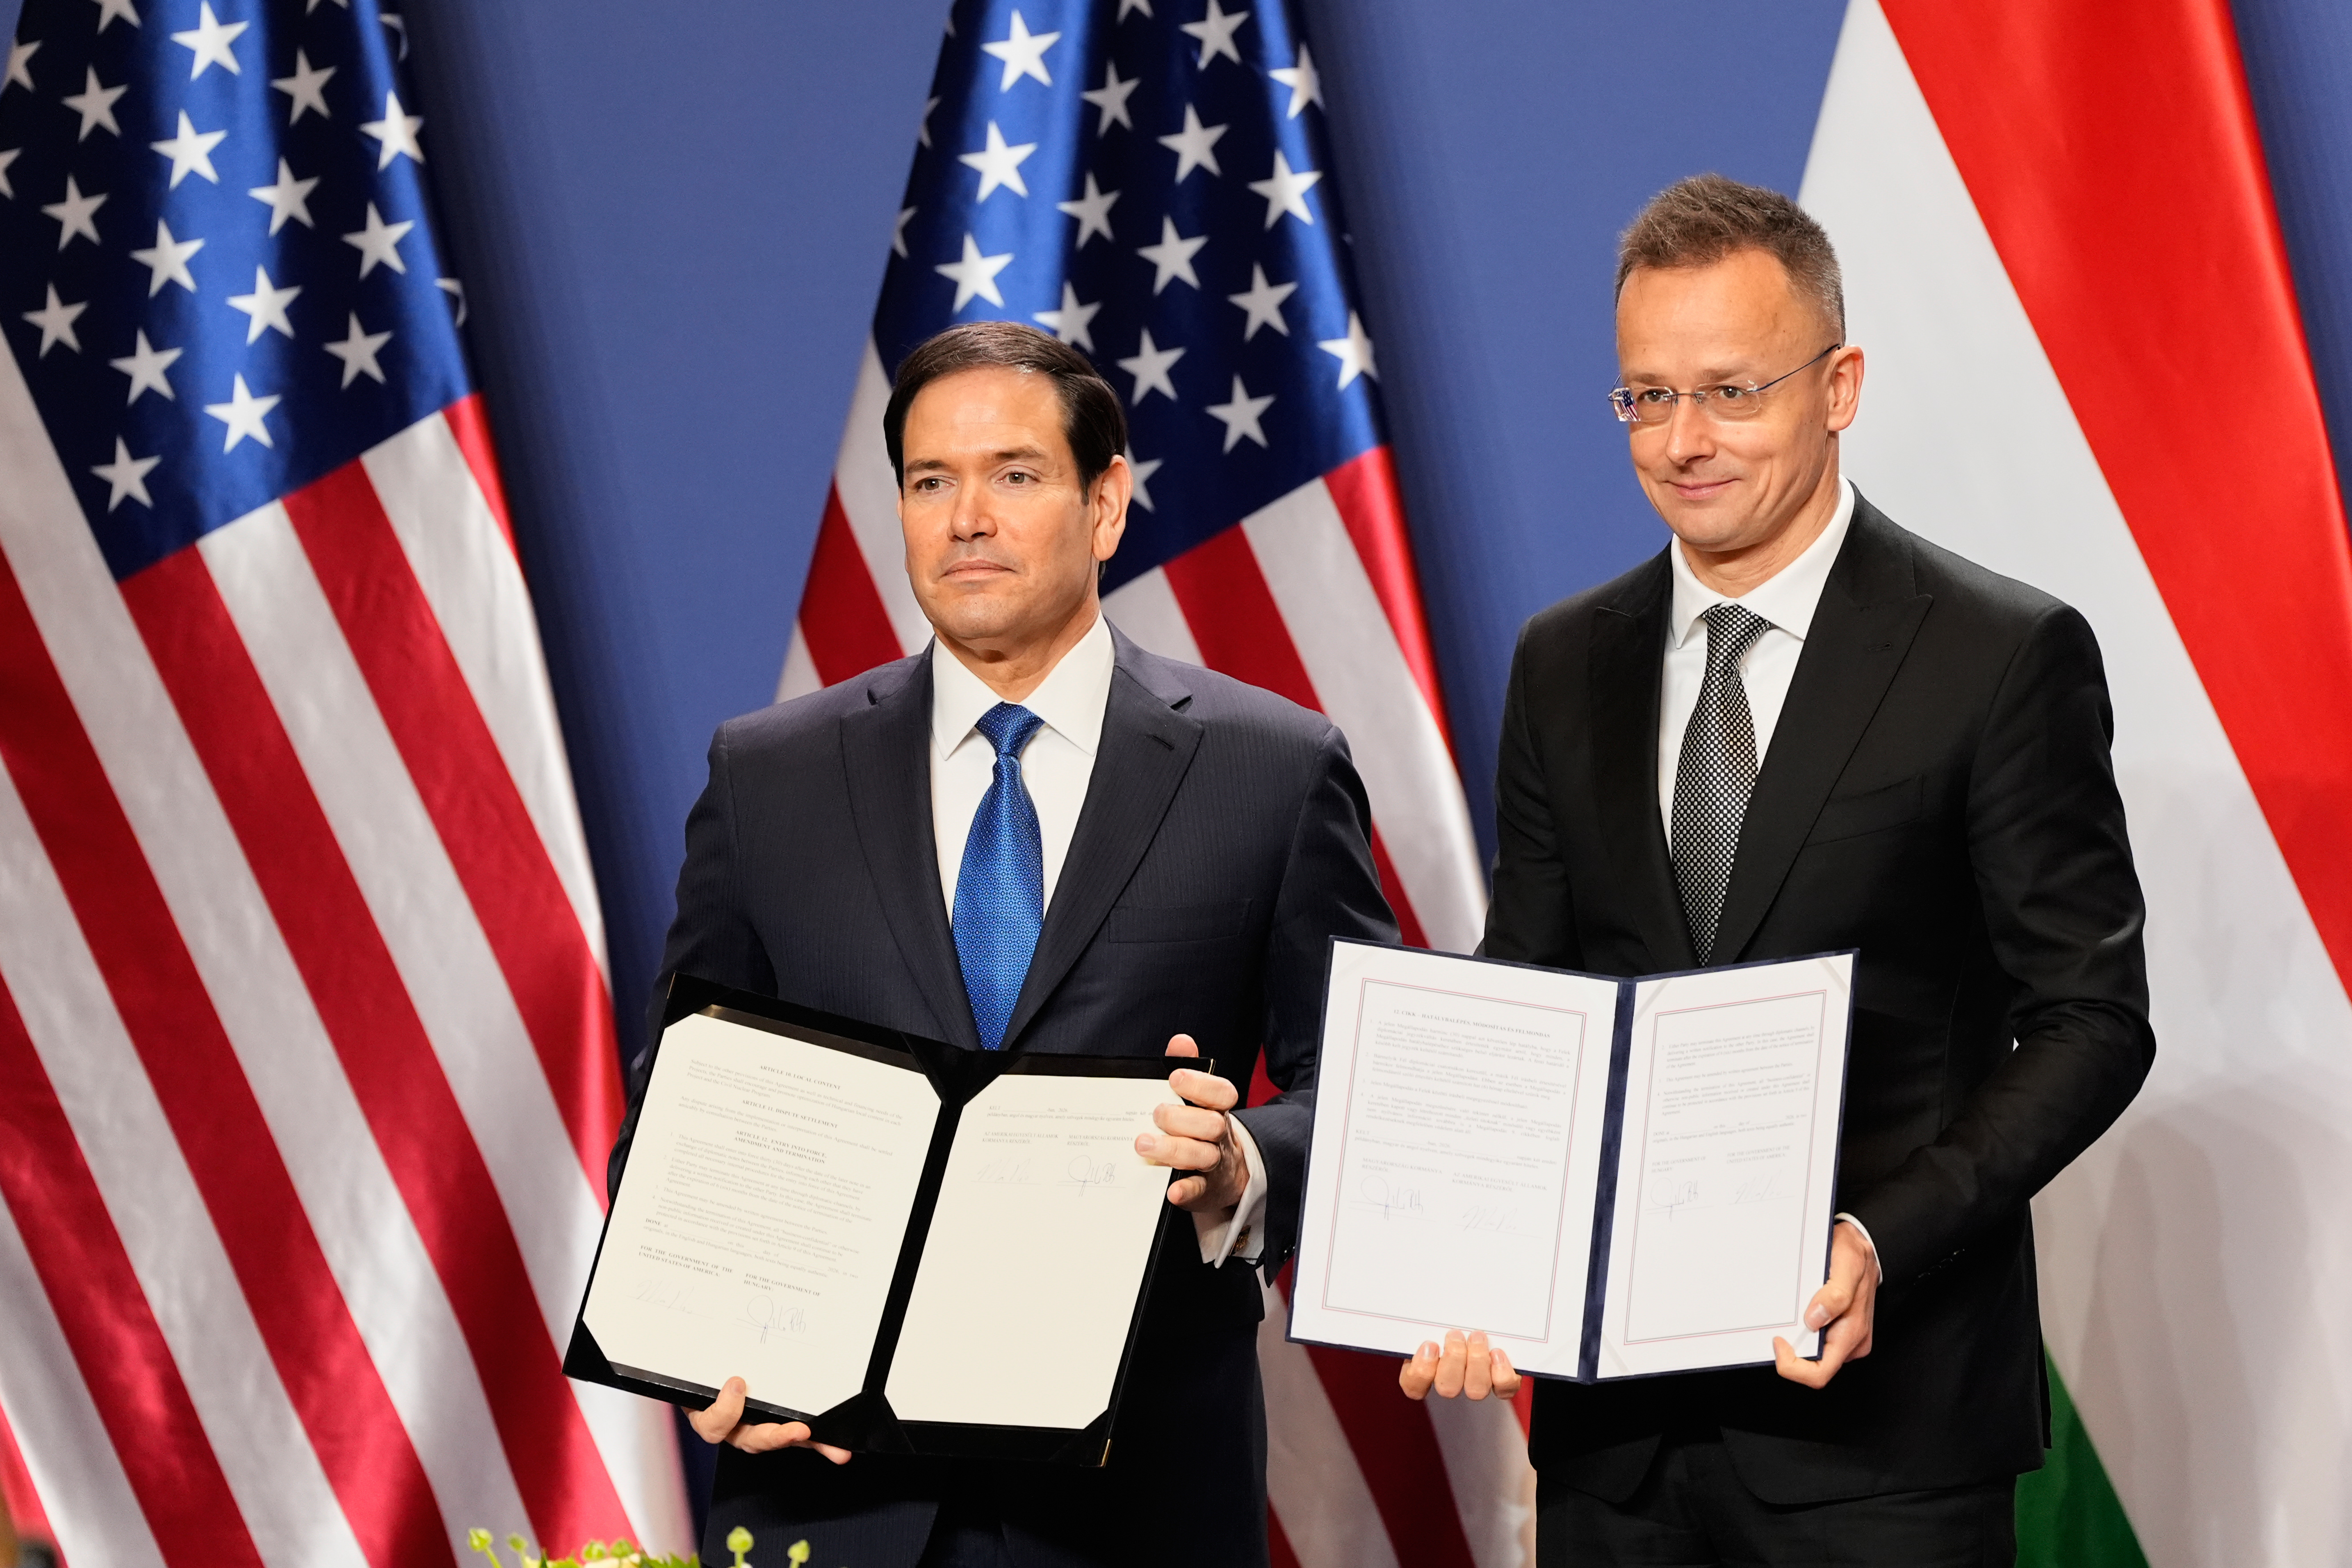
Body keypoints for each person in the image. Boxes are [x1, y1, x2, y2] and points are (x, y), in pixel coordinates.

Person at [1403, 174, 2154, 1565]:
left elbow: (2090, 1019)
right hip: (1612, 1449)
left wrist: (1879, 1234)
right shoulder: (1560, 662)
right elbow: (1531, 1003)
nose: (1683, 440)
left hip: (1883, 1438)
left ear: (1839, 384)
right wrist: (1466, 1254)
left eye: (1732, 391)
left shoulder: (1997, 655)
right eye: (1644, 396)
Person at [613, 320, 1394, 1568]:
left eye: (1014, 474)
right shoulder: (767, 776)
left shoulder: (1271, 769)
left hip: (1138, 1507)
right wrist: (703, 1334)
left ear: (1105, 502)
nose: (966, 516)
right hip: (829, 1497)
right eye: (930, 481)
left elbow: (1372, 1087)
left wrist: (1240, 1158)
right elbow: (678, 1100)